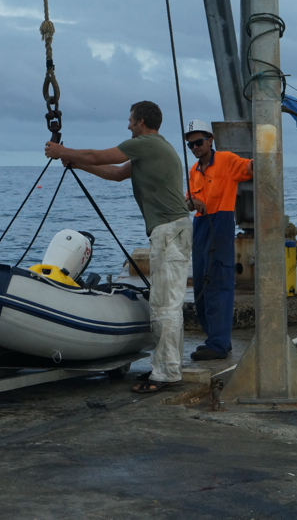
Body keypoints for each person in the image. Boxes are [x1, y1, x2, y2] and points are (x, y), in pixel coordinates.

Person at [45, 101, 192, 393]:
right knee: (167, 303)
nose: (127, 125)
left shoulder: (145, 144)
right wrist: (78, 165)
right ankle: (166, 366)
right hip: (172, 230)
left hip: (169, 231)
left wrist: (63, 152)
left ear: (141, 122)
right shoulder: (153, 149)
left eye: (130, 120)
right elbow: (115, 174)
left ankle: (166, 373)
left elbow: (97, 155)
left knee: (165, 306)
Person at [184, 119, 253, 360]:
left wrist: (264, 155)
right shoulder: (193, 170)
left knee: (218, 282)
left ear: (210, 139)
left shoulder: (226, 160)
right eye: (190, 144)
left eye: (199, 142)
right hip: (200, 226)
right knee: (201, 285)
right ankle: (217, 338)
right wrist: (193, 202)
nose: (195, 147)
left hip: (221, 224)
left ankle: (218, 344)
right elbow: (187, 200)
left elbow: (249, 167)